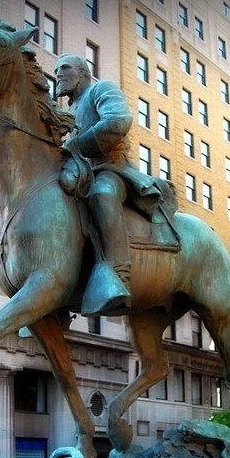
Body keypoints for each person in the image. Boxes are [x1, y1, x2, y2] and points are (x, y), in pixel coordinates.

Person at [55, 54, 175, 315]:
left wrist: (76, 144)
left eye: (64, 69)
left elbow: (118, 121)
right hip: (78, 175)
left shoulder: (101, 89)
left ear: (83, 73)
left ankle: (118, 276)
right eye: (56, 71)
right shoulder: (65, 110)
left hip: (110, 169)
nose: (58, 75)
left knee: (102, 195)